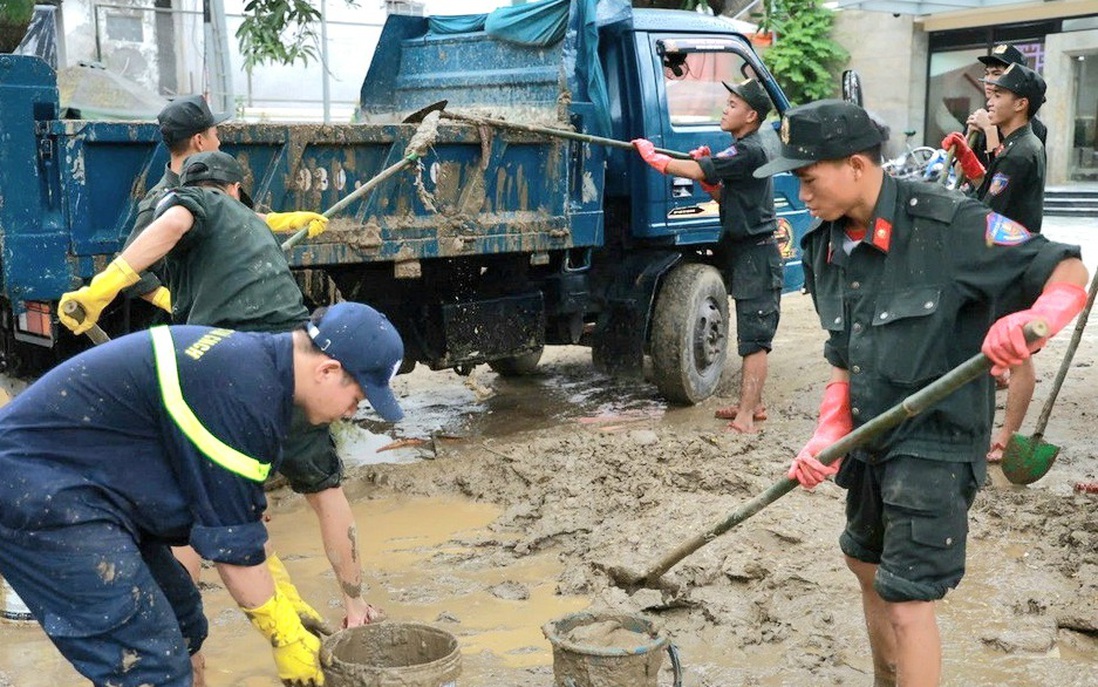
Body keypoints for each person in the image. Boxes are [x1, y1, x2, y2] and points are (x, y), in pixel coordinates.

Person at [757, 99, 1087, 687]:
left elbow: (1066, 271)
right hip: (870, 434)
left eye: (807, 178)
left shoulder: (949, 224)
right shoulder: (822, 247)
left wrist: (1032, 321)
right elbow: (842, 354)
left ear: (855, 165)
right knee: (862, 560)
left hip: (936, 438)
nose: (800, 194)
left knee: (907, 598)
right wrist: (828, 429)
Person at [58, 152, 391, 674]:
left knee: (198, 503)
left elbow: (172, 223)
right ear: (233, 189)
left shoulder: (194, 206)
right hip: (295, 360)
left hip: (232, 370)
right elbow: (205, 225)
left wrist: (104, 285)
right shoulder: (237, 216)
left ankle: (180, 637)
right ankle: (356, 609)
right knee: (322, 492)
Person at [0, 302, 404, 687]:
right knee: (150, 667)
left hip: (96, 490)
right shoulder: (245, 394)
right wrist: (285, 636)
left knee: (186, 624)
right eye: (357, 400)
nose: (351, 412)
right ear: (328, 370)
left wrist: (286, 599)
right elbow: (232, 551)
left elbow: (237, 516)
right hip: (41, 492)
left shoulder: (259, 371)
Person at [631, 77, 782, 433]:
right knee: (753, 333)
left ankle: (746, 417)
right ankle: (753, 404)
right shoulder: (748, 146)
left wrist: (657, 159)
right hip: (748, 251)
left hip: (757, 256)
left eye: (733, 105)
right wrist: (710, 181)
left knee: (754, 340)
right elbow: (727, 196)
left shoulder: (748, 150)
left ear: (751, 115)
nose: (725, 110)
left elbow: (700, 167)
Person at [122, 95, 329, 317]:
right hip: (197, 321)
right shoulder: (161, 201)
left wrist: (286, 221)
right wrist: (170, 300)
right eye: (215, 134)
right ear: (199, 141)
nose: (219, 143)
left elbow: (231, 218)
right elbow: (128, 270)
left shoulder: (211, 183)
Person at [943, 62, 1048, 462]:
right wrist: (970, 161)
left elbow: (988, 211)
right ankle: (983, 428)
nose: (991, 99)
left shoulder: (1022, 151)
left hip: (1013, 266)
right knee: (992, 349)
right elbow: (989, 188)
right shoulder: (1012, 146)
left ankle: (1005, 437)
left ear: (1021, 104)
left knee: (1017, 355)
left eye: (1000, 94)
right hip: (1002, 264)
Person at [964, 44, 1047, 171]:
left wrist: (989, 129)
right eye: (986, 73)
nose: (988, 80)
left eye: (997, 74)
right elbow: (960, 173)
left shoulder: (1030, 126)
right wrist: (967, 139)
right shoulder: (980, 117)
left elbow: (1004, 173)